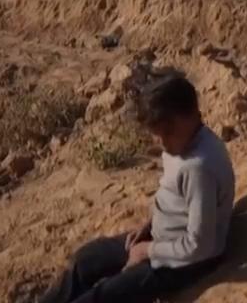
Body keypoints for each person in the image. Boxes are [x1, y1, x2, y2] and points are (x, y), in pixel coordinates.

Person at [38, 75, 235, 303]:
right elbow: (176, 200)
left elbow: (201, 246)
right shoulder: (181, 144)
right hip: (162, 239)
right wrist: (149, 227)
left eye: (165, 133)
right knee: (86, 260)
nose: (160, 143)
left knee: (101, 297)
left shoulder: (198, 167)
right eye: (156, 134)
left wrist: (147, 251)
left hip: (185, 263)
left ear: (183, 119)